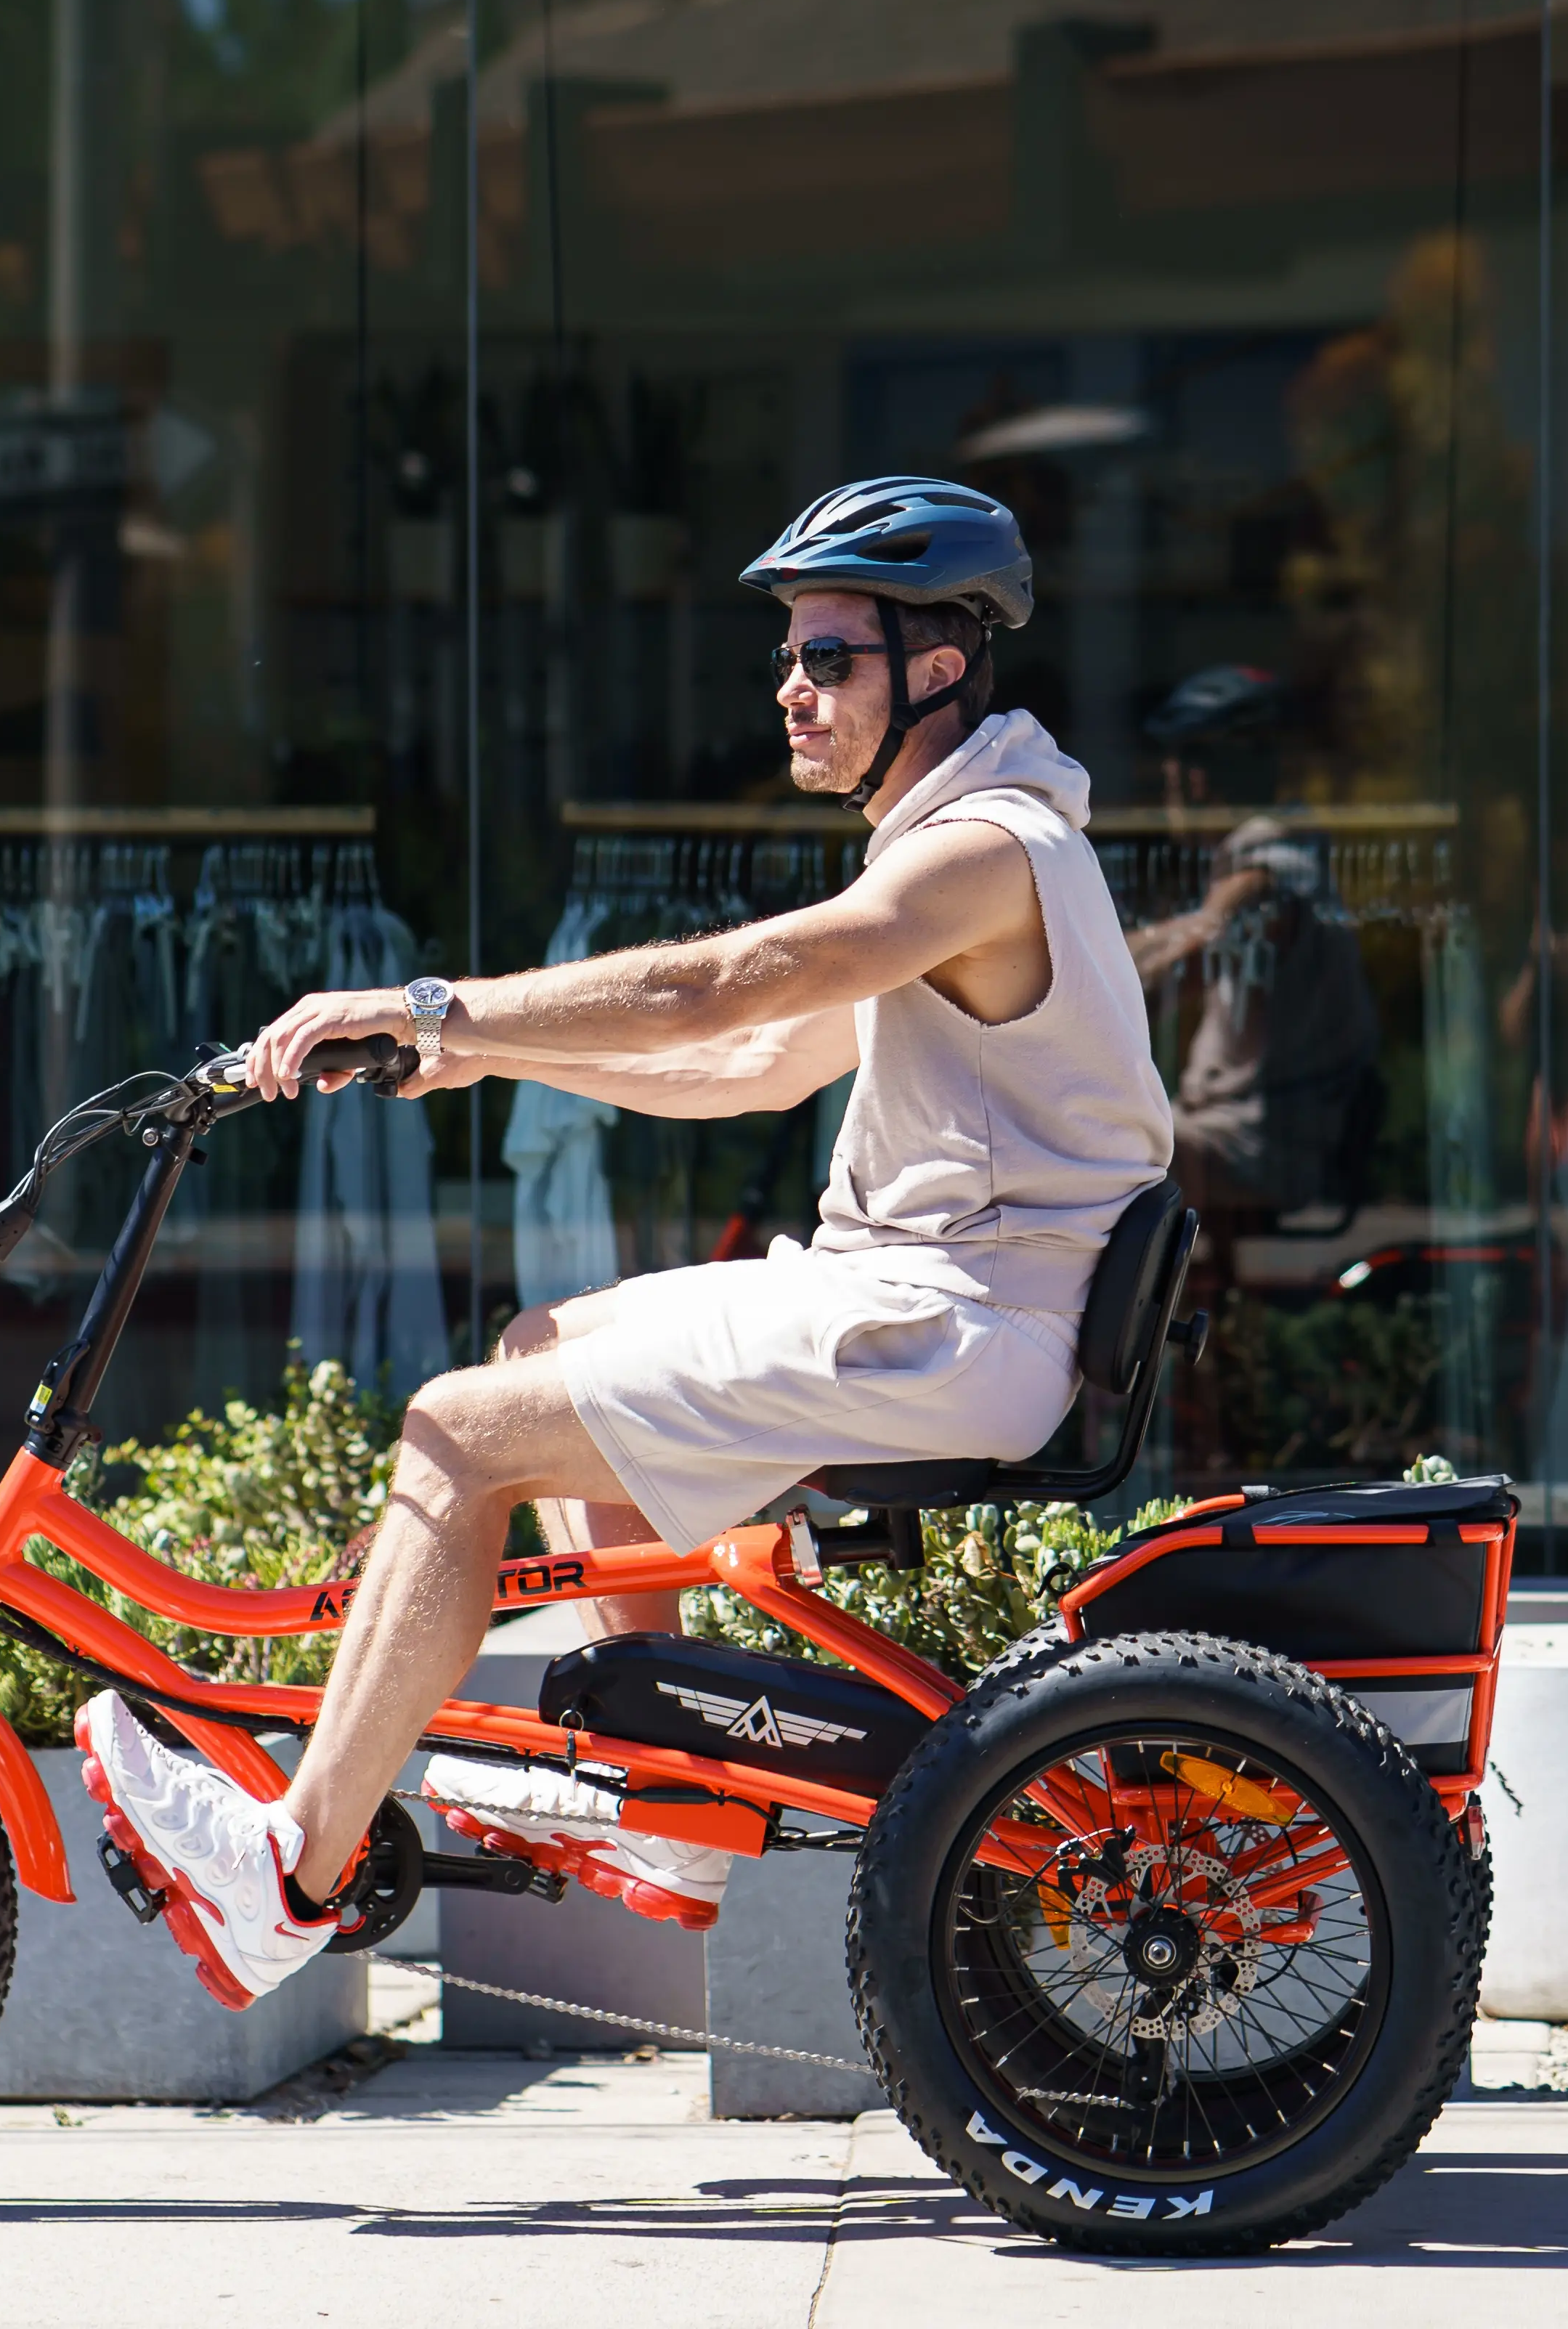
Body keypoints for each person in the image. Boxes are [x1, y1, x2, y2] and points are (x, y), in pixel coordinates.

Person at [73, 475, 1177, 2005]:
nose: (790, 689)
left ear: (941, 662)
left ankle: (288, 1869)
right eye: (788, 657)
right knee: (539, 1346)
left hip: (947, 1324)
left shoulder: (979, 854)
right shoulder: (962, 852)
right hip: (939, 1307)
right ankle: (672, 1816)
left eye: (829, 659)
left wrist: (436, 1005)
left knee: (458, 1434)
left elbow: (718, 990)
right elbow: (747, 1066)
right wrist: (486, 1057)